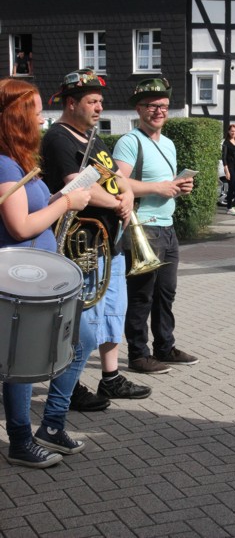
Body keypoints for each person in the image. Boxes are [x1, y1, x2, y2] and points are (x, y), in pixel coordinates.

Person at [41, 68, 152, 410]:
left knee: (113, 311)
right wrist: (118, 202)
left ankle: (111, 377)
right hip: (82, 244)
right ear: (71, 103)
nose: (100, 108)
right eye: (93, 101)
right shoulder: (59, 138)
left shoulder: (93, 138)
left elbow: (116, 176)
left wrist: (127, 195)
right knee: (84, 316)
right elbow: (75, 186)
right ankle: (69, 383)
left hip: (108, 241)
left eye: (100, 101)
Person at [0, 77, 92, 467]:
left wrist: (58, 199)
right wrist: (66, 203)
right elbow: (20, 226)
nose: (42, 119)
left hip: (37, 280)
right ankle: (21, 441)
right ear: (17, 116)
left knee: (82, 340)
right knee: (19, 362)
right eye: (36, 112)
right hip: (19, 282)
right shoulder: (4, 165)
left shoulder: (19, 162)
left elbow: (32, 212)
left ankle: (51, 425)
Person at [112, 77, 199, 375]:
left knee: (165, 293)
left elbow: (165, 185)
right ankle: (138, 355)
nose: (159, 111)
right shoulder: (129, 141)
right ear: (138, 109)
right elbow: (117, 183)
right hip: (143, 228)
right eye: (151, 106)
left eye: (163, 105)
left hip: (167, 227)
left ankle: (165, 347)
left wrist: (179, 187)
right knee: (141, 296)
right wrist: (157, 188)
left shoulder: (169, 144)